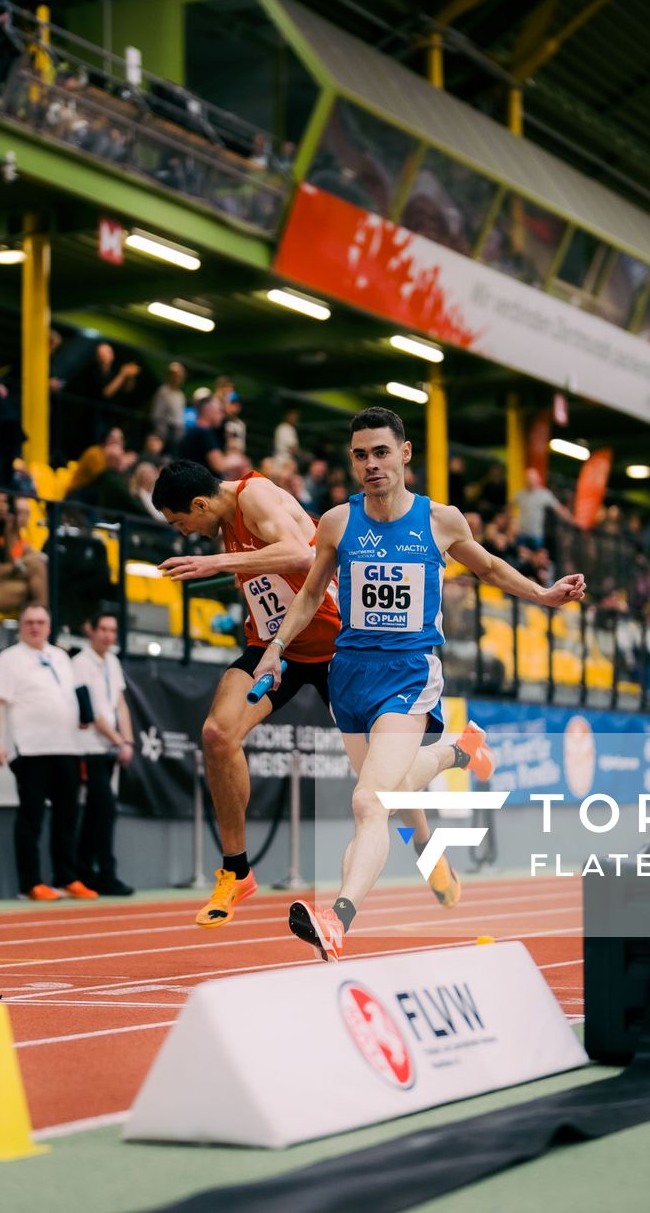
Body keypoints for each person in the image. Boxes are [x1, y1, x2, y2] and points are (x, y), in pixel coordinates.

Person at [254, 407, 581, 959]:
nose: (371, 464)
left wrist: (544, 594)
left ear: (405, 454)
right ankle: (459, 755)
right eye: (360, 454)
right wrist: (275, 649)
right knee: (394, 793)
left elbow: (493, 569)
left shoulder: (441, 520)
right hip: (350, 675)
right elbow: (310, 595)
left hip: (408, 673)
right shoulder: (335, 522)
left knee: (368, 802)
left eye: (381, 452)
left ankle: (337, 919)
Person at [155, 455, 492, 928]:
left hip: (339, 647)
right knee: (217, 733)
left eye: (182, 522)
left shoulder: (256, 495)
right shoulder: (225, 522)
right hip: (277, 647)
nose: (185, 532)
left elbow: (301, 554)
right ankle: (236, 870)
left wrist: (215, 562)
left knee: (381, 783)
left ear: (199, 502)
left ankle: (427, 846)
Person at [0, 603, 96, 901]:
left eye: (41, 622)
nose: (35, 627)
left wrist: (83, 717)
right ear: (20, 626)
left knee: (67, 817)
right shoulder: (10, 659)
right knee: (31, 817)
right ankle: (30, 883)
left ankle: (66, 878)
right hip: (32, 749)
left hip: (67, 747)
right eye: (29, 622)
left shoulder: (59, 656)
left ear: (49, 626)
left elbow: (73, 693)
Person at [69, 610, 136, 896]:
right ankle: (105, 873)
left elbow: (119, 703)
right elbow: (92, 711)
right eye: (104, 629)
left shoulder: (112, 661)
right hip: (89, 747)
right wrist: (118, 740)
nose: (109, 635)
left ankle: (86, 872)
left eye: (113, 630)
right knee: (104, 810)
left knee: (97, 812)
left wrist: (128, 740)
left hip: (110, 747)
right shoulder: (79, 663)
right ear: (91, 630)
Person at [511, 467, 571, 552]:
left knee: (538, 558)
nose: (530, 481)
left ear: (537, 480)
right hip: (522, 533)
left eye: (532, 479)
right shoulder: (520, 494)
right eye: (528, 479)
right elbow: (510, 507)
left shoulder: (544, 494)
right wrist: (512, 520)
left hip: (536, 535)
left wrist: (571, 519)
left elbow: (558, 508)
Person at [150, 361, 187, 449]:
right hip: (166, 435)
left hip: (178, 436)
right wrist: (162, 435)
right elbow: (157, 415)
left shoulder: (180, 395)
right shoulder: (163, 392)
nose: (177, 378)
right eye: (174, 375)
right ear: (169, 376)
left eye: (179, 375)